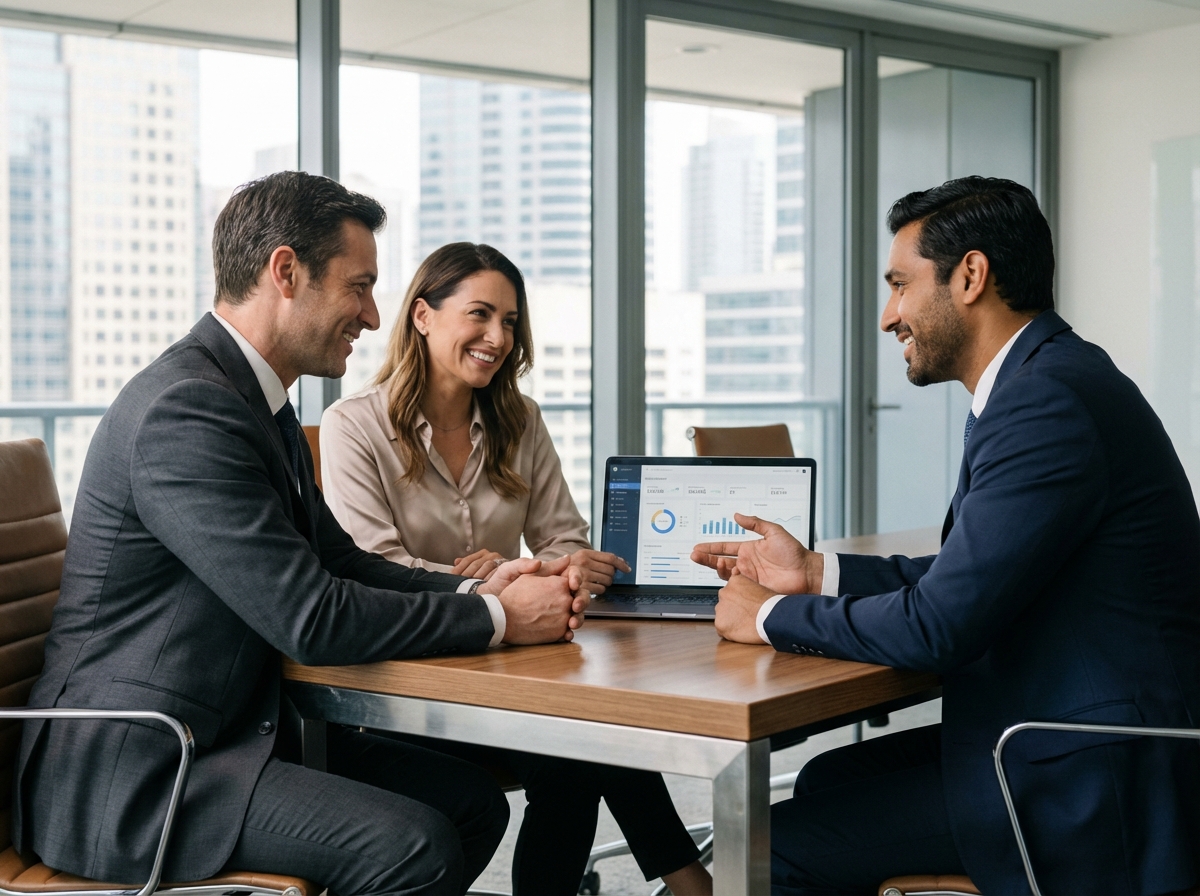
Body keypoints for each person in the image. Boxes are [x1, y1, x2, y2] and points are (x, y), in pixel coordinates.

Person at [13, 172, 592, 896]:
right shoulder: (186, 412)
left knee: (469, 804)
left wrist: (479, 584)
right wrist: (498, 619)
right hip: (141, 771)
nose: (373, 316)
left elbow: (340, 561)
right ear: (285, 272)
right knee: (418, 846)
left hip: (235, 734)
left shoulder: (257, 404)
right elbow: (310, 618)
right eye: (359, 286)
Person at [692, 177, 1200, 896]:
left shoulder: (1043, 402)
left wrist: (769, 615)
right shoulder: (1048, 378)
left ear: (970, 276)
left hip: (1090, 769)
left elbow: (938, 626)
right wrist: (813, 573)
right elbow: (971, 572)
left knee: (768, 852)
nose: (887, 315)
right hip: (1070, 725)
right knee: (829, 776)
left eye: (900, 284)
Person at [319, 242, 712, 896]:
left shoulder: (519, 419)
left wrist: (524, 568)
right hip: (408, 681)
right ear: (422, 316)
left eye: (510, 321)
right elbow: (370, 566)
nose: (498, 337)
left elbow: (565, 538)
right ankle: (686, 877)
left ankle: (681, 878)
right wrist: (488, 583)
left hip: (512, 666)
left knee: (583, 744)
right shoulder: (352, 425)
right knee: (585, 741)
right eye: (480, 315)